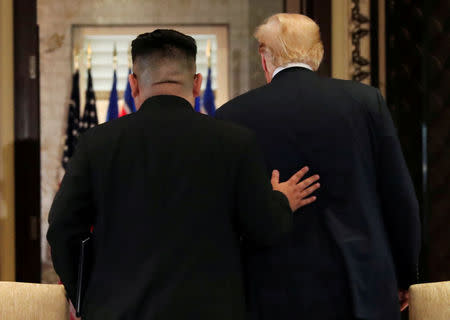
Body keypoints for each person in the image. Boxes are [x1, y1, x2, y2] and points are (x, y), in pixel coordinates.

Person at [47, 29, 320, 320]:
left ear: (133, 85)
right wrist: (281, 201)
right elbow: (264, 228)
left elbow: (62, 228)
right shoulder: (235, 142)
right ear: (198, 83)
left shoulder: (96, 143)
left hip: (118, 311)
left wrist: (84, 294)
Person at [216, 13, 421, 320]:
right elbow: (399, 197)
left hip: (271, 291)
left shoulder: (231, 116)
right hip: (360, 287)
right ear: (319, 53)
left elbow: (226, 215)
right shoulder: (366, 102)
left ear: (264, 57)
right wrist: (405, 275)